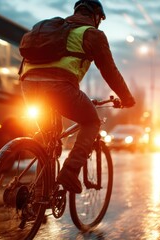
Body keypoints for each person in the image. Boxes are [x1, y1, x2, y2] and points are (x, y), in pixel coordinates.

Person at [19, 0, 136, 194]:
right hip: (59, 87)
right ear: (96, 17)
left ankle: (39, 194)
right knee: (91, 122)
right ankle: (70, 172)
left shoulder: (55, 31)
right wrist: (126, 98)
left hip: (28, 85)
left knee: (47, 139)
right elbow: (110, 71)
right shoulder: (92, 34)